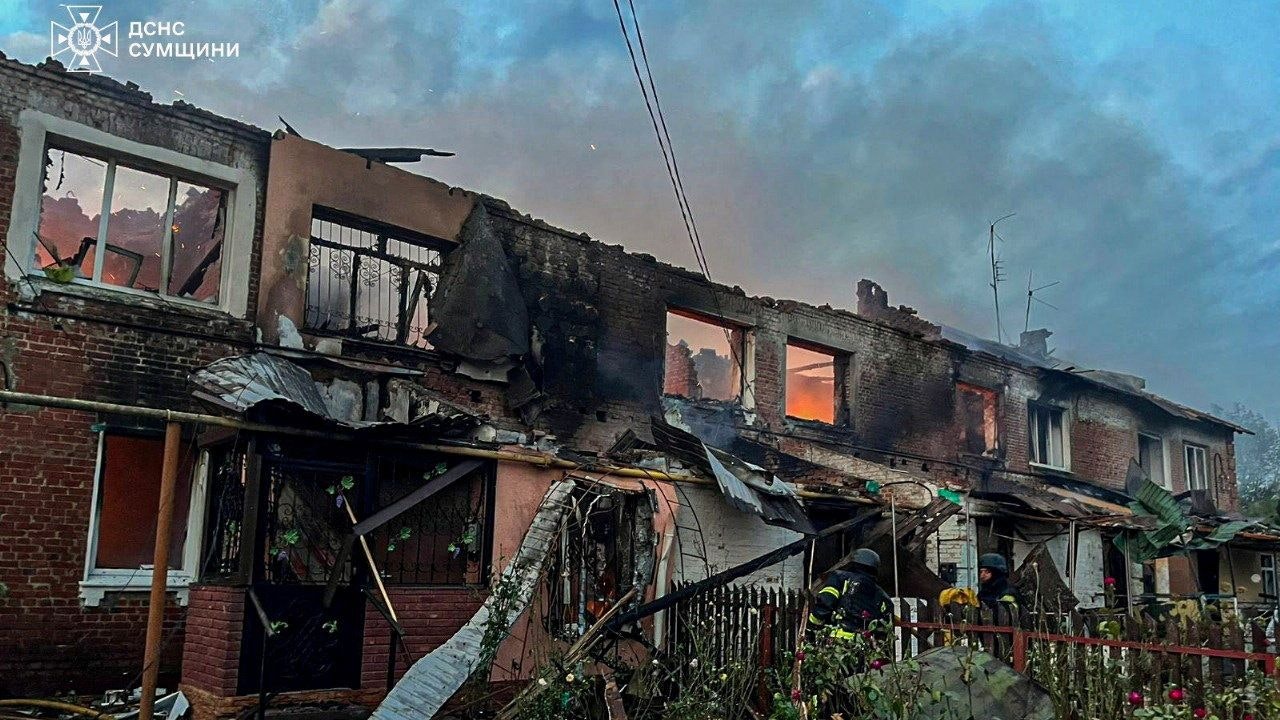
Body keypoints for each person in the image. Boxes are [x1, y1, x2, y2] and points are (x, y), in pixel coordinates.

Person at [808, 548, 893, 639]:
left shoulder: (839, 577)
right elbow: (885, 624)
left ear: (854, 563)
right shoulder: (881, 594)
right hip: (865, 644)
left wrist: (813, 624)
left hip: (836, 641)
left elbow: (827, 600)